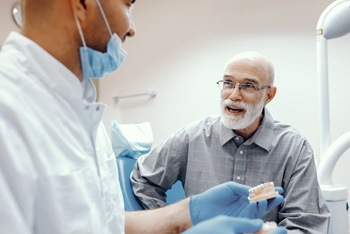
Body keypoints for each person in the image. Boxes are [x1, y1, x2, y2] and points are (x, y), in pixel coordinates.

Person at [0, 1, 287, 234]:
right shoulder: (10, 113)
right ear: (82, 4)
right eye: (128, 4)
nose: (132, 28)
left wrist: (187, 212)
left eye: (248, 85)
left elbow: (106, 225)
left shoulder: (81, 109)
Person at [131, 51, 331, 233]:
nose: (234, 95)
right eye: (228, 83)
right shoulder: (191, 137)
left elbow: (306, 225)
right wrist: (173, 225)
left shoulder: (294, 148)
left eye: (248, 86)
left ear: (269, 95)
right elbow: (143, 179)